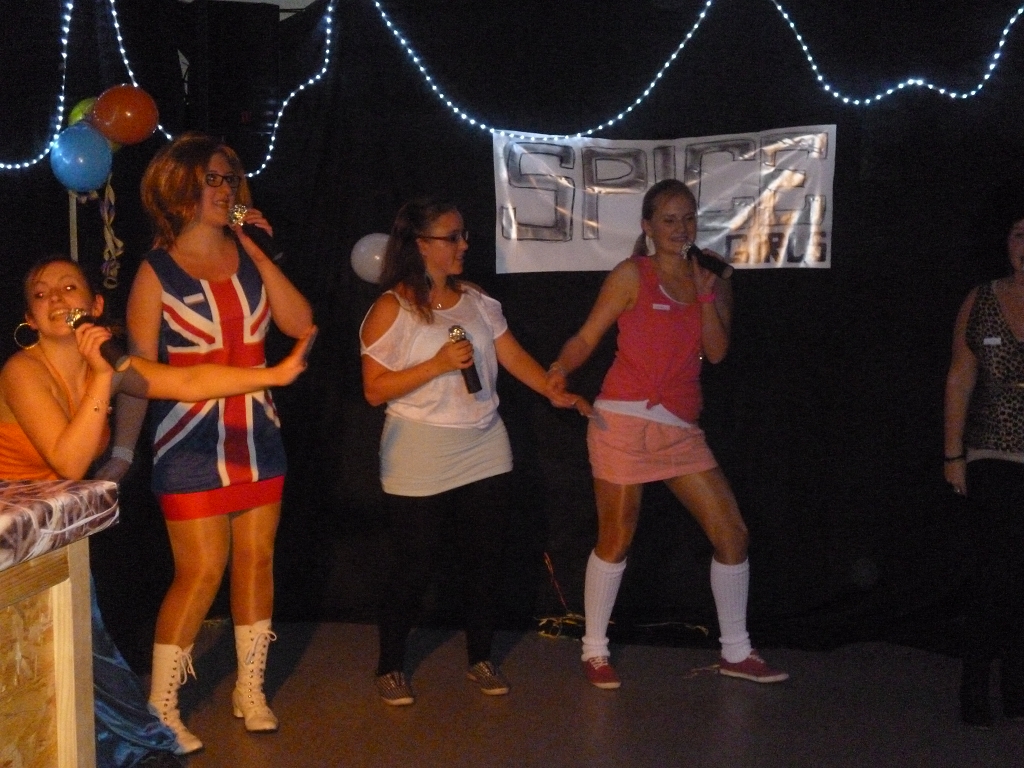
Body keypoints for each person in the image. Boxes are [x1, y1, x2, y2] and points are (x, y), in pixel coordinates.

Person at [0, 256, 312, 764]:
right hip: (10, 530)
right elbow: (70, 461)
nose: (55, 298)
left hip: (50, 527)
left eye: (69, 288)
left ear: (95, 305)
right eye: (41, 294)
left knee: (62, 654)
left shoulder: (107, 367)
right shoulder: (22, 371)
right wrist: (103, 376)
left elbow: (187, 382)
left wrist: (272, 375)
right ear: (29, 319)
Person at [115, 133, 314, 752]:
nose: (225, 189)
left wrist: (254, 245)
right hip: (188, 437)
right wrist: (122, 451)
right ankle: (162, 707)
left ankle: (249, 689)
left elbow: (300, 323)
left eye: (229, 178)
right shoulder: (156, 270)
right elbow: (136, 373)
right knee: (200, 570)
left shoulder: (247, 253)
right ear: (180, 189)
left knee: (257, 560)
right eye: (211, 179)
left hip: (257, 431)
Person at [547, 179, 787, 689]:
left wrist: (707, 294)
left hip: (680, 428)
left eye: (689, 218)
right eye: (670, 220)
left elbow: (716, 353)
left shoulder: (713, 278)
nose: (681, 228)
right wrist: (559, 368)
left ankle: (736, 651)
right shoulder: (632, 274)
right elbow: (586, 336)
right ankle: (594, 650)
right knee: (615, 539)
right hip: (623, 422)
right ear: (648, 227)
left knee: (732, 535)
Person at [360, 198, 584, 705]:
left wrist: (551, 389)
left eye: (464, 235)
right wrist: (437, 364)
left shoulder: (477, 301)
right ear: (421, 245)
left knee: (485, 562)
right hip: (419, 447)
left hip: (484, 441)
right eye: (452, 237)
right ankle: (390, 665)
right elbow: (374, 390)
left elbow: (512, 356)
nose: (464, 245)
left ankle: (480, 657)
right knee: (413, 567)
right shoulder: (391, 308)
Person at [944, 202, 1024, 728]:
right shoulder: (982, 299)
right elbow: (960, 378)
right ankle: (974, 682)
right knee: (996, 571)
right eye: (1019, 233)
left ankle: (1016, 683)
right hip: (993, 448)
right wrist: (953, 454)